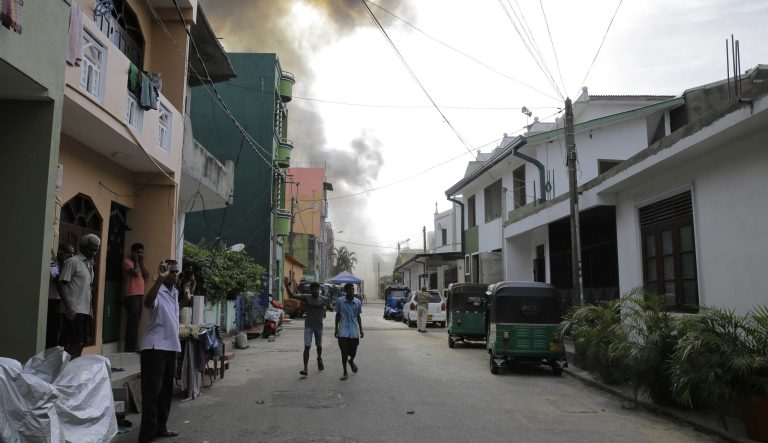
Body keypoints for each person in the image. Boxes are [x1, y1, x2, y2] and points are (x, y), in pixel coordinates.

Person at [139, 259, 192, 443]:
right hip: (154, 348)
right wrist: (158, 280)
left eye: (176, 272)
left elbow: (172, 313)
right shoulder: (157, 291)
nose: (175, 275)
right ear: (163, 272)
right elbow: (147, 302)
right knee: (152, 394)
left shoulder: (174, 292)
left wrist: (185, 299)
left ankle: (161, 427)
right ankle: (146, 435)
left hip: (171, 347)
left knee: (165, 393)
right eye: (171, 272)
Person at [57, 234, 100, 358]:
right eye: (92, 249)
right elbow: (61, 283)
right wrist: (68, 306)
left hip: (85, 311)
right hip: (73, 310)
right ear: (83, 247)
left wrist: (91, 309)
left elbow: (88, 289)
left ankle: (73, 368)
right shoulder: (73, 261)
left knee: (82, 342)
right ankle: (65, 369)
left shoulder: (89, 265)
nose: (94, 252)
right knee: (71, 342)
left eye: (96, 249)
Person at [292, 282, 330, 376]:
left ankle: (319, 358)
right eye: (314, 289)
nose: (316, 291)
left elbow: (331, 307)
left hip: (319, 326)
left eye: (317, 289)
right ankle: (305, 368)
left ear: (319, 290)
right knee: (307, 347)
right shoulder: (306, 297)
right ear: (311, 290)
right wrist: (286, 286)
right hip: (308, 326)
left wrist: (327, 306)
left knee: (319, 346)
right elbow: (292, 295)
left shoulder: (323, 299)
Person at [46, 243, 75, 349]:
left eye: (73, 254)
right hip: (52, 302)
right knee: (52, 333)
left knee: (62, 333)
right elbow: (58, 279)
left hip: (62, 303)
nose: (71, 256)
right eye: (68, 253)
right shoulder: (53, 263)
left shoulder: (67, 266)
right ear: (60, 253)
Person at [122, 242, 149, 352]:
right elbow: (135, 272)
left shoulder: (139, 262)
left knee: (136, 320)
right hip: (131, 294)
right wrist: (136, 262)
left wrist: (141, 262)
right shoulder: (127, 262)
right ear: (132, 252)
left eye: (141, 253)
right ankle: (129, 346)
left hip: (139, 294)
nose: (139, 255)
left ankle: (133, 345)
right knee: (132, 320)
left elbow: (146, 275)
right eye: (137, 253)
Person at [335, 283, 363, 381]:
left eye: (352, 289)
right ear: (345, 291)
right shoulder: (340, 301)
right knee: (344, 352)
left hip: (354, 330)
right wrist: (336, 329)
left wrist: (361, 329)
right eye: (349, 289)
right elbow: (337, 315)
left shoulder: (358, 302)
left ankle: (351, 361)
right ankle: (345, 372)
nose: (351, 290)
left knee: (353, 352)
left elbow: (358, 316)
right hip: (343, 329)